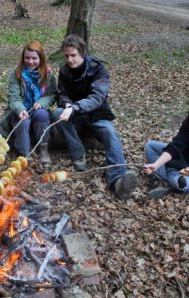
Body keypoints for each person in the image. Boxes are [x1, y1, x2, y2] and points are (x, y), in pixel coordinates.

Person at [53, 34, 138, 200]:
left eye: (73, 55)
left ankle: (117, 180)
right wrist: (67, 104)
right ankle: (78, 153)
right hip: (75, 116)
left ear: (82, 53)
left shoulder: (98, 69)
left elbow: (97, 97)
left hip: (97, 115)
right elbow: (61, 94)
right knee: (57, 113)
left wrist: (75, 107)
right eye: (67, 56)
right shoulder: (64, 71)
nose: (70, 60)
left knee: (110, 132)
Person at [0, 40, 57, 169]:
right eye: (27, 58)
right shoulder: (16, 73)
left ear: (40, 58)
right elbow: (13, 97)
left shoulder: (48, 74)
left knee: (42, 114)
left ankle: (43, 149)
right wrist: (20, 109)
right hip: (20, 109)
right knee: (23, 120)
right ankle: (25, 152)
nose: (30, 61)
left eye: (34, 58)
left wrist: (42, 102)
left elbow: (52, 95)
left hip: (38, 109)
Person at [144, 112, 189, 199]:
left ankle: (169, 180)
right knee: (150, 146)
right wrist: (156, 164)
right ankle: (161, 179)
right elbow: (177, 144)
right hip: (180, 157)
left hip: (185, 172)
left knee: (182, 183)